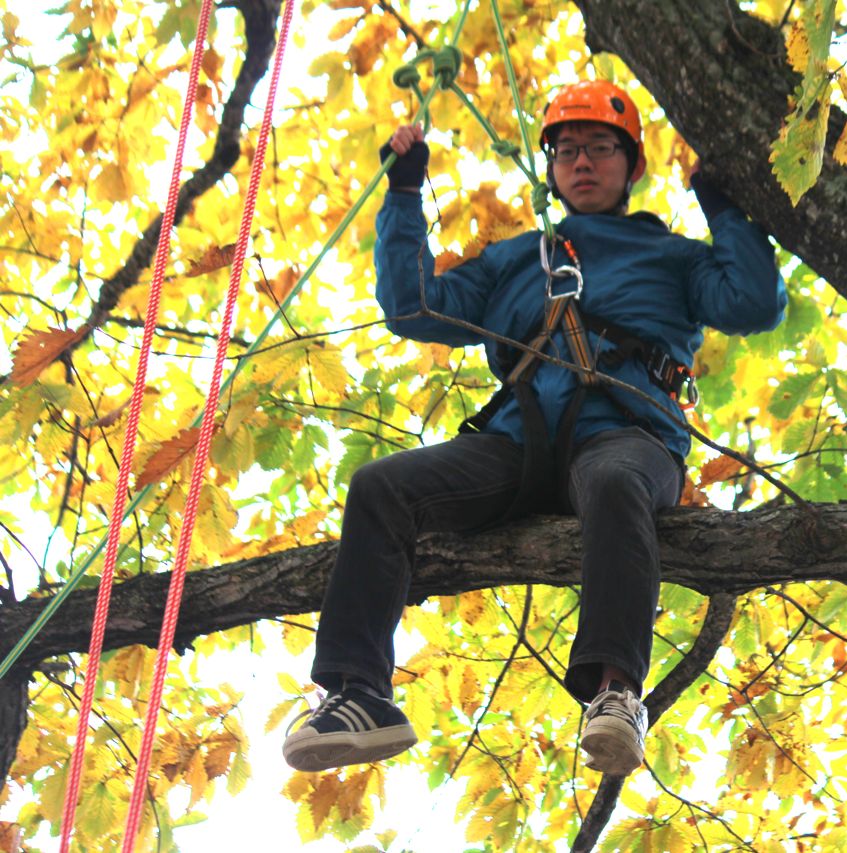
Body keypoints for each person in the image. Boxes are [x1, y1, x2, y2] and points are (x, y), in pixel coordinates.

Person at [283, 80, 786, 777]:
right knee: (380, 486)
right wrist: (402, 192)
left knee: (614, 482)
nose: (582, 162)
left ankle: (616, 691)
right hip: (517, 444)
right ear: (550, 167)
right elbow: (414, 306)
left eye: (601, 148)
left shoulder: (672, 257)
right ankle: (357, 691)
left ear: (632, 165)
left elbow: (754, 301)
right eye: (567, 150)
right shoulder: (517, 259)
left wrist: (720, 202)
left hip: (629, 435)